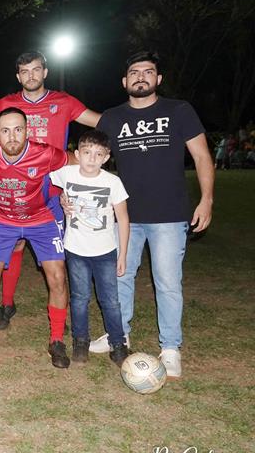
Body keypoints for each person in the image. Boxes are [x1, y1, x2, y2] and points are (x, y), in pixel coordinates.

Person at [87, 51, 214, 378]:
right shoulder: (113, 118)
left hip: (170, 215)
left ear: (158, 79)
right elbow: (89, 153)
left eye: (148, 71)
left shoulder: (178, 110)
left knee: (168, 282)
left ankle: (170, 347)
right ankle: (119, 334)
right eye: (134, 72)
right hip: (125, 216)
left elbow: (201, 156)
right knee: (120, 276)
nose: (140, 76)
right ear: (124, 81)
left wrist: (207, 200)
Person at [0, 51, 100, 330]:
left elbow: (99, 123)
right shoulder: (8, 102)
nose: (31, 76)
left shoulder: (63, 101)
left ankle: (66, 311)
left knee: (60, 255)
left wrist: (127, 126)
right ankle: (7, 304)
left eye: (36, 70)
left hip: (53, 193)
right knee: (13, 246)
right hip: (13, 191)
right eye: (25, 72)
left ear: (45, 72)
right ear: (18, 76)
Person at [0, 107, 71, 368]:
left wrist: (67, 191)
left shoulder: (44, 153)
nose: (12, 137)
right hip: (3, 220)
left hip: (41, 219)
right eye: (5, 131)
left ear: (28, 131)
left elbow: (79, 163)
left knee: (57, 275)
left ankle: (57, 339)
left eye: (18, 130)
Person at [49, 130, 130, 366]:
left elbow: (123, 219)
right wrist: (61, 199)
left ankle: (118, 343)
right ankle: (80, 342)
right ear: (77, 154)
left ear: (106, 158)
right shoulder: (66, 173)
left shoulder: (112, 182)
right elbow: (41, 176)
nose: (92, 159)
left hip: (105, 251)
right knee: (80, 298)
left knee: (111, 300)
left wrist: (123, 254)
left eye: (98, 154)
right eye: (86, 153)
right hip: (75, 250)